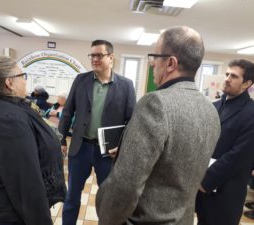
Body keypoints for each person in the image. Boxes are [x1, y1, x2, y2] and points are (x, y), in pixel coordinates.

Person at [95, 26, 220, 225]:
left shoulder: (155, 103)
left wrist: (107, 220)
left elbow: (125, 184)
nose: (152, 64)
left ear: (170, 63)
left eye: (154, 57)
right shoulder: (211, 110)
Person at [0, 56, 66, 225]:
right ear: (9, 83)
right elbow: (26, 184)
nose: (25, 82)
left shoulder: (3, 109)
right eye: (22, 76)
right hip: (5, 215)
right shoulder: (8, 120)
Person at [58, 39, 136, 225]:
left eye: (99, 55)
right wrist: (61, 139)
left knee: (109, 200)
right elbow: (68, 111)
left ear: (111, 58)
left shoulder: (126, 85)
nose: (94, 59)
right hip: (80, 148)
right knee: (71, 198)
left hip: (107, 153)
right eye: (92, 55)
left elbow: (132, 121)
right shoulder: (81, 80)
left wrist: (122, 146)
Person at [196, 59, 254, 225]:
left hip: (225, 194)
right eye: (227, 74)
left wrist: (205, 181)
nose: (227, 78)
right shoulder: (214, 107)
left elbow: (238, 155)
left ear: (246, 84)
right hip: (202, 193)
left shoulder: (251, 113)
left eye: (234, 76)